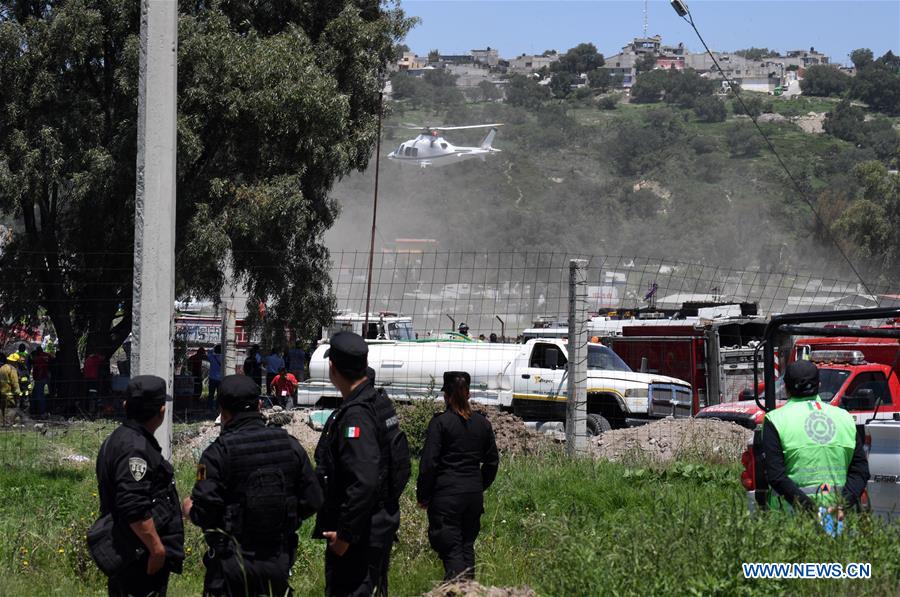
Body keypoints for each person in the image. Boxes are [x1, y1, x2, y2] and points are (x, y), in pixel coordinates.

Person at [184, 375, 323, 596]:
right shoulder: (290, 445)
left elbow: (205, 513)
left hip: (232, 565)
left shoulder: (216, 454)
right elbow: (313, 499)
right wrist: (285, 519)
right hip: (277, 561)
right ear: (259, 405)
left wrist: (189, 509)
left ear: (223, 410)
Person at [313, 332, 404, 597]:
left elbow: (363, 480)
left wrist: (345, 536)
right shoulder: (378, 402)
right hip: (377, 524)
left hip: (360, 537)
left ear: (333, 368)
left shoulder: (358, 415)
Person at [94, 375, 184, 596]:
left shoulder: (124, 439)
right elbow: (133, 505)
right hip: (138, 556)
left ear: (126, 405)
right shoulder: (135, 448)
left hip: (132, 550)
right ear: (161, 411)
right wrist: (156, 548)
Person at [417, 371, 499, 582]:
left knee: (451, 549)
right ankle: (468, 590)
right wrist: (479, 485)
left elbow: (428, 464)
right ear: (469, 393)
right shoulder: (482, 424)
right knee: (466, 546)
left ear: (447, 396)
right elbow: (492, 462)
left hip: (447, 497)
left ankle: (457, 591)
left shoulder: (441, 423)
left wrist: (424, 495)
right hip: (473, 496)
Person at [763, 360, 869, 515]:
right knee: (834, 539)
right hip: (837, 515)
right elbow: (860, 471)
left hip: (791, 519)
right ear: (819, 385)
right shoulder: (844, 418)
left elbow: (776, 476)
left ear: (786, 388)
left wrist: (812, 509)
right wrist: (841, 505)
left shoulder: (775, 420)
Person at [30, 346, 51, 416]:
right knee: (36, 395)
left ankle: (41, 412)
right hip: (46, 377)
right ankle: (35, 410)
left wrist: (38, 378)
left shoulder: (38, 359)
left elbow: (40, 369)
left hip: (40, 379)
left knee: (39, 396)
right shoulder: (47, 355)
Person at [1, 353, 21, 426]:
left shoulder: (2, 367)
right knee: (10, 408)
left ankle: (1, 423)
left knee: (2, 408)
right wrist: (17, 393)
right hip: (9, 394)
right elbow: (15, 382)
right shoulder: (12, 369)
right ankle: (7, 424)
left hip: (1, 392)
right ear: (15, 361)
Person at [205, 344, 223, 412]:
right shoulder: (223, 358)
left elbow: (208, 352)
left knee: (211, 394)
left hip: (212, 378)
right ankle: (218, 408)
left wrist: (213, 348)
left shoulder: (212, 357)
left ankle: (209, 408)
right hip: (220, 379)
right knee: (219, 394)